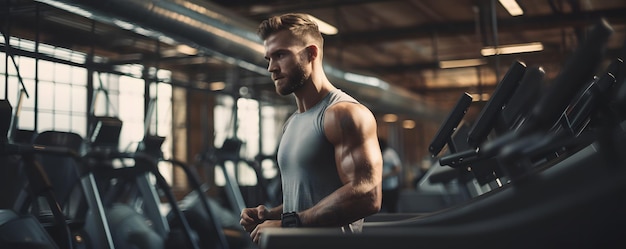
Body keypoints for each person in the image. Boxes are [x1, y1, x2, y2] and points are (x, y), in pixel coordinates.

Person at [239, 13, 383, 244]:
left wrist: (289, 224)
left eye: (280, 55)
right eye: (268, 58)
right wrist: (272, 215)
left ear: (311, 53)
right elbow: (311, 199)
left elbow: (367, 195)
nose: (271, 68)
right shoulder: (292, 123)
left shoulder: (344, 114)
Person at [379, 138, 403, 213]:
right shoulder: (379, 153)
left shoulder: (389, 154)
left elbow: (398, 169)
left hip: (391, 188)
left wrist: (385, 176)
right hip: (381, 188)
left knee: (392, 209)